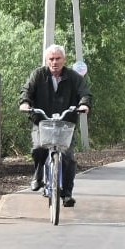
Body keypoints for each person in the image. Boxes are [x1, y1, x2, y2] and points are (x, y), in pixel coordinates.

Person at [17, 44, 91, 207]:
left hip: (66, 124)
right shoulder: (38, 74)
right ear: (46, 60)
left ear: (64, 60)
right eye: (51, 59)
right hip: (42, 122)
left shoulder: (73, 77)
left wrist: (84, 105)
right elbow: (26, 91)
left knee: (68, 157)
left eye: (58, 58)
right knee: (38, 148)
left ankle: (66, 194)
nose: (54, 62)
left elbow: (84, 93)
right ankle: (38, 176)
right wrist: (25, 103)